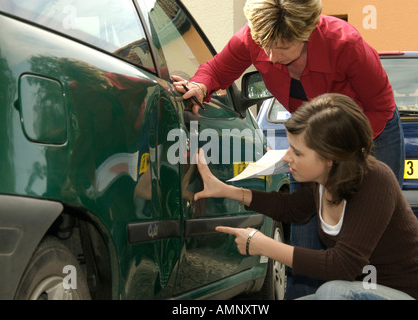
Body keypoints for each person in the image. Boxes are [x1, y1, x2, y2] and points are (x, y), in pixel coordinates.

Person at [172, 0, 405, 298]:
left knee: (371, 224)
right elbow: (217, 70)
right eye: (264, 44)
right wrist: (201, 86)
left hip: (370, 130)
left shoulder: (346, 43)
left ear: (306, 32)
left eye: (282, 47)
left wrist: (335, 152)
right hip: (312, 138)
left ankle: (378, 292)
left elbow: (381, 106)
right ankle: (303, 292)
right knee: (304, 216)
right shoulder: (255, 37)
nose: (269, 55)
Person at [194, 93, 418, 300]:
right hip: (366, 290)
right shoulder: (323, 180)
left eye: (297, 152)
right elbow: (291, 208)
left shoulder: (375, 179)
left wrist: (264, 246)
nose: (286, 157)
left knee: (331, 292)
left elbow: (342, 266)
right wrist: (226, 190)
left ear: (329, 158)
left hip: (415, 294)